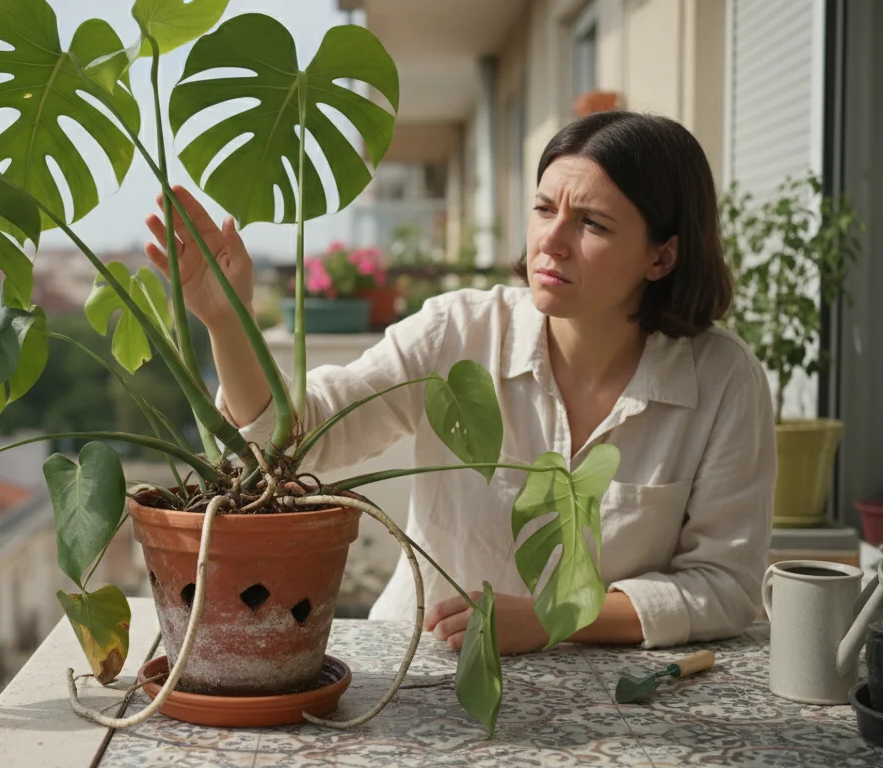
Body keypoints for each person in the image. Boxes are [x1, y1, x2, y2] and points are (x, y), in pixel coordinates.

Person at [142, 111, 775, 654]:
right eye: (543, 208)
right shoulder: (459, 331)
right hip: (421, 670)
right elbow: (300, 438)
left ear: (662, 255)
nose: (550, 241)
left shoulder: (723, 382)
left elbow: (725, 584)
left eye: (593, 225)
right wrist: (228, 324)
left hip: (619, 698)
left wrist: (557, 619)